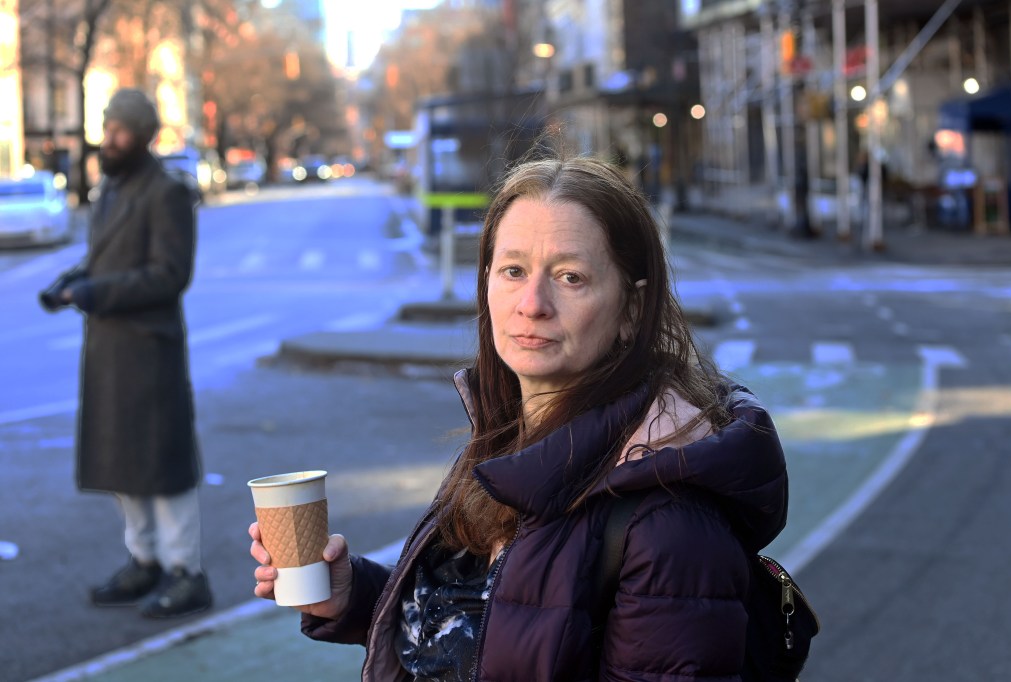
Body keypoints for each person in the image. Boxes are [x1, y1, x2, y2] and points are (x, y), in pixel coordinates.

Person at [250, 156, 788, 679]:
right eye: (513, 270)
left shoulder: (666, 519)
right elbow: (493, 625)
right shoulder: (510, 440)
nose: (532, 303)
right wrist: (354, 595)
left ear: (630, 310)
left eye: (571, 277)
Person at [40, 88, 211, 618]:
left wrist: (92, 293)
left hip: (149, 350)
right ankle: (145, 560)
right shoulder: (111, 189)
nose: (108, 139)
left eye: (119, 131)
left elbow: (169, 275)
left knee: (163, 465)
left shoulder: (167, 191)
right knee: (123, 464)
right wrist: (68, 282)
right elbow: (101, 260)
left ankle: (187, 571)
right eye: (108, 127)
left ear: (143, 137)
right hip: (110, 350)